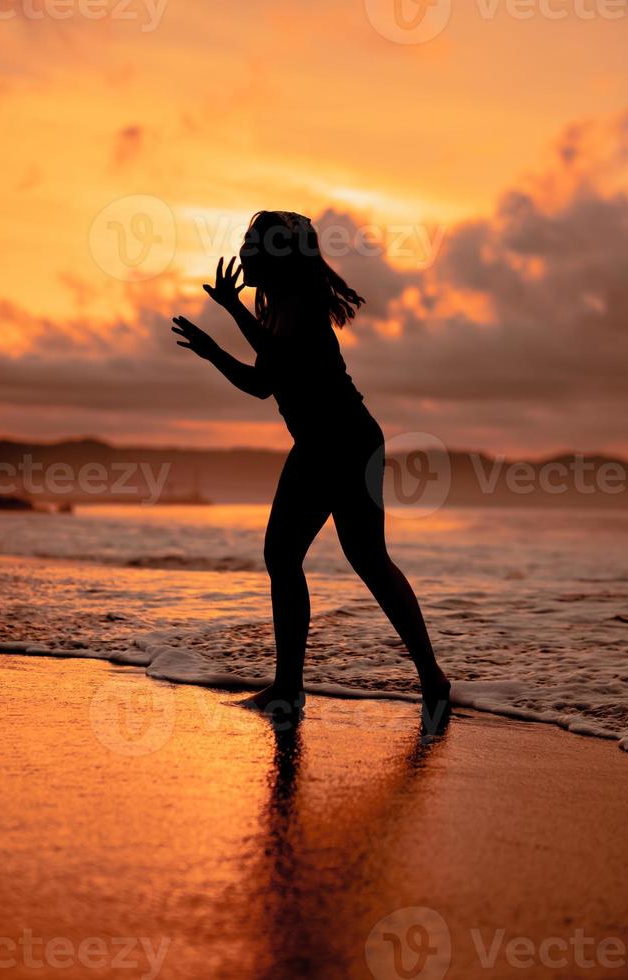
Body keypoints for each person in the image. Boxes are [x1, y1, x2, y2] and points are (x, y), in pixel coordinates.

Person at [172, 210, 450, 731]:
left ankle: (304, 686)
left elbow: (276, 360)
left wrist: (232, 313)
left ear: (276, 255)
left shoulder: (296, 305)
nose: (244, 251)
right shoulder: (279, 308)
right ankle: (303, 685)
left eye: (253, 244)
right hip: (331, 442)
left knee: (344, 557)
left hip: (342, 441)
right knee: (313, 555)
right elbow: (263, 385)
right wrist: (215, 350)